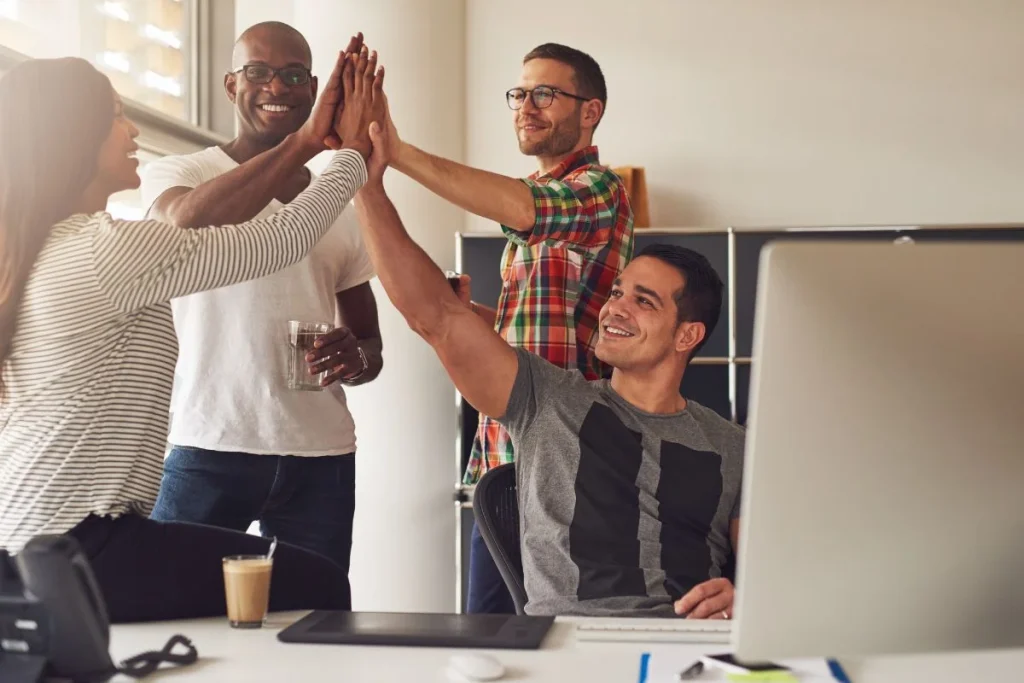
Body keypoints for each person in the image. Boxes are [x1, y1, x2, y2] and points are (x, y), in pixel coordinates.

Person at [0, 42, 385, 622]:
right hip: (77, 545)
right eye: (114, 117)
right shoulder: (105, 252)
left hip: (31, 536)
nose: (130, 130)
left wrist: (311, 144)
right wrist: (350, 154)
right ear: (73, 137)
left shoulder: (34, 251)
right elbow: (278, 239)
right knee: (318, 585)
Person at [350, 121, 743, 617]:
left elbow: (776, 576)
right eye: (617, 292)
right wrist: (365, 181)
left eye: (643, 302)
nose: (615, 307)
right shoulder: (549, 400)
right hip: (569, 647)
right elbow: (435, 315)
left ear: (687, 335)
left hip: (688, 650)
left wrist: (749, 598)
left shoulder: (732, 445)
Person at [379, 42, 635, 613]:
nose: (526, 105)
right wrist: (475, 315)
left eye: (545, 93)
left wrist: (395, 152)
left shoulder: (598, 189)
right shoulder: (535, 204)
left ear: (589, 111)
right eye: (520, 93)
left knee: (560, 632)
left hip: (566, 462)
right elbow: (547, 325)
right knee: (489, 634)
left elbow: (525, 209)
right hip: (503, 455)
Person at [140, 23, 381, 581]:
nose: (278, 85)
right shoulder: (182, 173)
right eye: (259, 72)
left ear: (314, 86)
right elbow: (184, 221)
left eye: (295, 75)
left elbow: (372, 348)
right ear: (230, 85)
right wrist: (307, 141)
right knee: (171, 608)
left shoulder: (335, 205)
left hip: (320, 455)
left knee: (313, 622)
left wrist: (357, 356)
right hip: (208, 444)